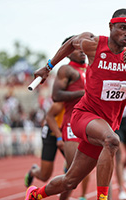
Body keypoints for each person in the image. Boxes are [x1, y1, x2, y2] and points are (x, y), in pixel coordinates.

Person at [25, 8, 126, 200]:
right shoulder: (95, 44)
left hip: (106, 124)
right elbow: (71, 43)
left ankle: (35, 194)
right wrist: (47, 68)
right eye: (122, 28)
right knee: (112, 141)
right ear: (111, 26)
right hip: (84, 115)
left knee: (71, 180)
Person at [50, 36, 90, 200]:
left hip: (91, 123)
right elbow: (56, 95)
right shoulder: (66, 70)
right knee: (73, 176)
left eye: (82, 46)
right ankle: (39, 194)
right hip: (72, 124)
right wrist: (82, 93)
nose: (81, 50)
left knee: (105, 165)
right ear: (67, 53)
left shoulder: (91, 68)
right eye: (75, 47)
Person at [24, 102, 65, 187]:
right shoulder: (63, 99)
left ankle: (82, 196)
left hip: (66, 131)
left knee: (79, 167)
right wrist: (59, 137)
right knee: (45, 176)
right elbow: (49, 117)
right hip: (51, 132)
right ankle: (33, 171)